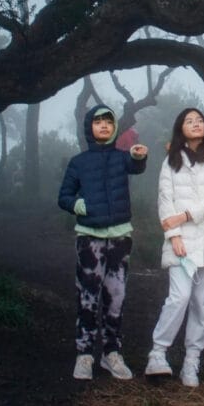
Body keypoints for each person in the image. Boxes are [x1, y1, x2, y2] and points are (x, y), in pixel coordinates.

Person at [58, 105, 148, 381]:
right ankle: (84, 355)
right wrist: (80, 206)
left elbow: (136, 165)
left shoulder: (123, 158)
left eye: (109, 122)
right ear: (90, 128)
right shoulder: (79, 162)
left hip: (120, 236)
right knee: (88, 296)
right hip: (90, 238)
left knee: (116, 296)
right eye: (98, 122)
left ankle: (112, 354)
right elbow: (64, 197)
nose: (105, 126)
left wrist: (139, 156)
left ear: (114, 128)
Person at [145, 108, 204, 387]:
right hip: (181, 242)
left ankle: (191, 362)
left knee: (202, 304)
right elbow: (165, 200)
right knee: (179, 298)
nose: (196, 124)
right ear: (180, 129)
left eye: (200, 120)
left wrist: (185, 215)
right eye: (189, 121)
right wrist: (174, 234)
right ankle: (158, 354)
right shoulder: (171, 161)